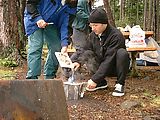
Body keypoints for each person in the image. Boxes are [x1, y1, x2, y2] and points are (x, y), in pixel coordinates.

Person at [71, 7, 130, 96]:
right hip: (101, 65)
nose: (93, 28)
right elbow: (84, 49)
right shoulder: (93, 35)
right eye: (91, 25)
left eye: (95, 25)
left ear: (104, 23)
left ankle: (120, 84)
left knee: (122, 53)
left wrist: (95, 79)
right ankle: (101, 83)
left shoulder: (116, 36)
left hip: (115, 67)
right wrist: (77, 61)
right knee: (87, 53)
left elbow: (109, 59)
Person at [24, 0, 78, 79]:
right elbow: (30, 4)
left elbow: (65, 26)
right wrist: (38, 18)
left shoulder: (72, 5)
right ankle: (32, 78)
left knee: (56, 47)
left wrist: (64, 44)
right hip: (33, 19)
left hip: (51, 23)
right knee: (36, 46)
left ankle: (49, 76)